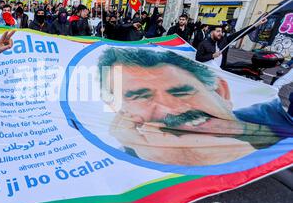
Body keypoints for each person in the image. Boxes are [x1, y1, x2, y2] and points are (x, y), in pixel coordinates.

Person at [97, 47, 289, 166]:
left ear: (222, 92)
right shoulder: (126, 161)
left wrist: (216, 158)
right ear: (123, 112)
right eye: (141, 97)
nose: (169, 108)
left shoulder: (279, 121)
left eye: (181, 92)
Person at [196, 18, 267, 69]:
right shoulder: (203, 44)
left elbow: (241, 33)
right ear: (211, 33)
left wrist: (257, 24)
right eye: (218, 31)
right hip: (208, 70)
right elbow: (198, 58)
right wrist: (212, 56)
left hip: (221, 70)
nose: (220, 33)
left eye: (221, 31)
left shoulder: (225, 40)